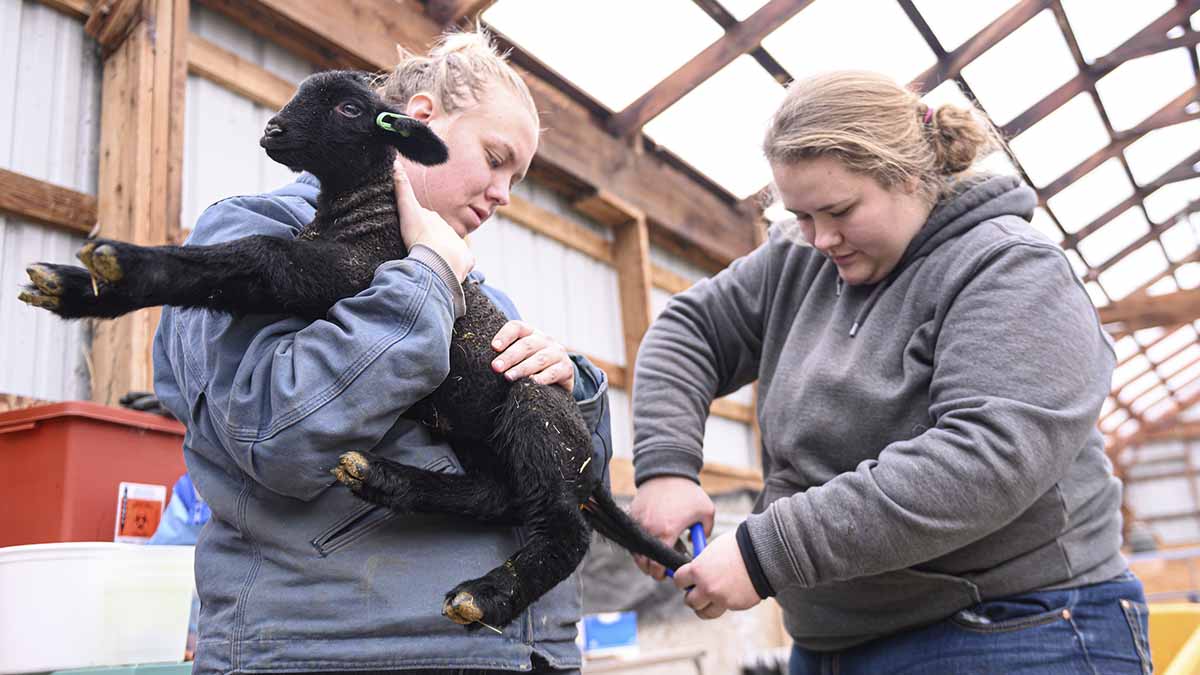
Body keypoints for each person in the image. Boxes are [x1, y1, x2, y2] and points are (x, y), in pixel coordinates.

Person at [628, 70, 1150, 674]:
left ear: (907, 176)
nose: (820, 238)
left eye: (839, 210)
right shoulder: (798, 261)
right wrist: (666, 467)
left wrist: (766, 553)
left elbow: (985, 459)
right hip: (833, 642)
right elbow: (689, 329)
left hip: (1014, 631)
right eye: (800, 215)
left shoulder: (1010, 269)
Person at [152, 30, 612, 675]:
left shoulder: (481, 294)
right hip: (354, 651)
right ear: (418, 121)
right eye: (495, 157)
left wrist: (573, 384)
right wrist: (424, 276)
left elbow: (576, 485)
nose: (504, 193)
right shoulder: (255, 234)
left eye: (517, 176)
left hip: (528, 650)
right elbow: (273, 433)